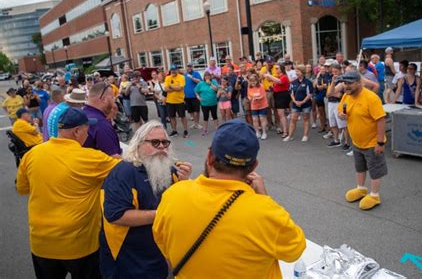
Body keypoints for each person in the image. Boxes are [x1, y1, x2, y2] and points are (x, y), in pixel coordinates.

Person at [152, 119, 306, 278]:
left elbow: (163, 243)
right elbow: (295, 250)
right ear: (253, 166)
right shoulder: (266, 212)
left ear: (210, 156)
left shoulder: (173, 194)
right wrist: (264, 197)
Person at [16, 107, 121, 278]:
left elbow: (22, 188)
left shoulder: (32, 154)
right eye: (88, 129)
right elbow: (126, 169)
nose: (89, 133)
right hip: (80, 245)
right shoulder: (92, 158)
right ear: (77, 131)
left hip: (41, 242)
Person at [100, 120, 192, 278]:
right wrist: (160, 214)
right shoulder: (123, 172)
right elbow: (116, 215)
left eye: (165, 142)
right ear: (138, 145)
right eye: (155, 142)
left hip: (160, 254)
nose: (162, 147)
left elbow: (181, 204)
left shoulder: (171, 169)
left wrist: (185, 183)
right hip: (129, 258)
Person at [338, 71, 387, 210]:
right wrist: (341, 115)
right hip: (357, 141)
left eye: (349, 83)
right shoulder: (346, 96)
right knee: (359, 167)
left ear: (359, 83)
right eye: (345, 83)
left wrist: (380, 142)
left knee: (375, 169)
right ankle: (361, 189)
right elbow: (342, 111)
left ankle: (374, 195)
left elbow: (381, 120)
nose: (346, 86)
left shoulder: (371, 98)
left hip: (372, 142)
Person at [83, 82, 122, 157]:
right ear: (104, 99)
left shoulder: (83, 113)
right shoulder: (101, 124)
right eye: (112, 97)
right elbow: (114, 158)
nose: (114, 101)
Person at [285, 65, 314, 142]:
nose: (296, 73)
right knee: (293, 119)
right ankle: (290, 136)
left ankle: (305, 135)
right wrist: (294, 101)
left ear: (302, 72)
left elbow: (310, 94)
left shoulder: (308, 82)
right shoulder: (293, 82)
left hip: (306, 103)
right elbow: (291, 93)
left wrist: (303, 101)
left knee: (306, 119)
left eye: (298, 71)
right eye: (296, 71)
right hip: (295, 104)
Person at [324, 63, 348, 149]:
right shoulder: (332, 79)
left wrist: (331, 93)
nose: (334, 73)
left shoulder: (342, 80)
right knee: (332, 122)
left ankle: (346, 142)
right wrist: (332, 93)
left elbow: (339, 95)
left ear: (340, 70)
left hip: (339, 103)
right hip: (331, 103)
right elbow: (327, 94)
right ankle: (336, 140)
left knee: (342, 124)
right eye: (333, 71)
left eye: (336, 71)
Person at [264, 65, 290, 138]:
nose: (276, 69)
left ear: (281, 69)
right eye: (275, 68)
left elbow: (279, 81)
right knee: (280, 114)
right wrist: (267, 71)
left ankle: (285, 131)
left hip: (282, 95)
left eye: (277, 68)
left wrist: (268, 75)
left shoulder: (284, 76)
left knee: (281, 114)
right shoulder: (279, 76)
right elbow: (269, 79)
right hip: (278, 95)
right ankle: (284, 129)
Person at [164, 65, 188, 138]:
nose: (173, 71)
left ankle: (185, 130)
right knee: (172, 117)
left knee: (182, 116)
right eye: (172, 70)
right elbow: (166, 89)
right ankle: (174, 131)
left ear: (177, 70)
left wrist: (171, 86)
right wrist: (175, 87)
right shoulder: (167, 77)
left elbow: (180, 88)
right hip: (170, 101)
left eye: (174, 70)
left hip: (179, 101)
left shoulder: (181, 77)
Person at [247, 74, 268, 140]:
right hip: (254, 106)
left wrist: (256, 98)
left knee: (262, 119)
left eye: (254, 81)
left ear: (257, 81)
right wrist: (250, 98)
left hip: (262, 105)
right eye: (251, 81)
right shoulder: (249, 87)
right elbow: (249, 95)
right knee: (255, 119)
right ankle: (257, 132)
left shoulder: (261, 86)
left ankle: (264, 133)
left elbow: (263, 95)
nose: (253, 82)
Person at [314, 62, 332, 134]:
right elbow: (317, 86)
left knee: (327, 113)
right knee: (321, 112)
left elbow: (328, 86)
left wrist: (322, 86)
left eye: (324, 69)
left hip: (326, 96)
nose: (323, 70)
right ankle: (322, 127)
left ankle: (329, 127)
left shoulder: (329, 76)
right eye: (321, 69)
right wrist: (322, 86)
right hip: (319, 97)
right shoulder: (319, 77)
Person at [184, 63, 203, 129]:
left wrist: (192, 78)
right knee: (191, 111)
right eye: (188, 67)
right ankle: (194, 123)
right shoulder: (185, 75)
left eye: (190, 67)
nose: (189, 68)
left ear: (192, 67)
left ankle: (197, 123)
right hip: (187, 96)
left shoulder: (196, 73)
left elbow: (200, 81)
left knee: (196, 110)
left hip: (195, 95)